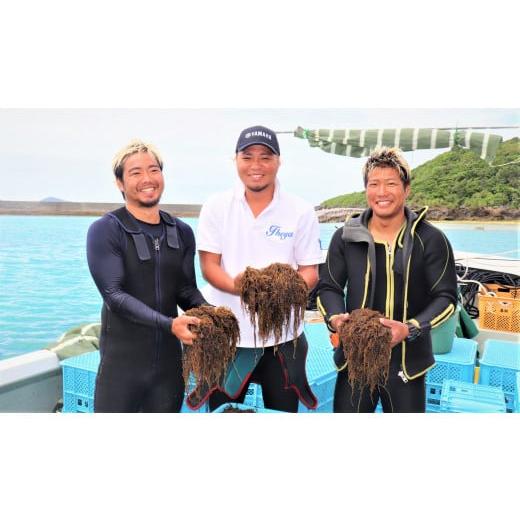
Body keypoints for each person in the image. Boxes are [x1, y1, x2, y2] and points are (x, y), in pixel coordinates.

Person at [318, 147, 458, 413]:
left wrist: (410, 328)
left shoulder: (429, 239)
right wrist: (335, 318)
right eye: (374, 184)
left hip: (407, 363)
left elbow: (447, 297)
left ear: (406, 189)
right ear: (366, 190)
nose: (382, 192)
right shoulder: (345, 238)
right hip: (355, 359)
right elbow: (329, 287)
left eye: (391, 183)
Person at [194, 125, 322, 412]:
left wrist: (281, 293)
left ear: (278, 161)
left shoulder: (300, 210)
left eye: (265, 157)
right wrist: (238, 287)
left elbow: (310, 270)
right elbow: (209, 267)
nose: (256, 165)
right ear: (235, 160)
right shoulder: (216, 206)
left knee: (282, 412)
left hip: (283, 339)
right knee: (222, 411)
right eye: (247, 156)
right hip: (227, 337)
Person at [86, 140, 207, 412]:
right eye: (136, 172)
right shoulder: (106, 230)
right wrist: (169, 324)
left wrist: (211, 315)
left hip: (168, 370)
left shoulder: (181, 231)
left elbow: (186, 290)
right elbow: (114, 295)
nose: (147, 179)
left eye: (154, 170)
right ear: (120, 182)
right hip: (121, 371)